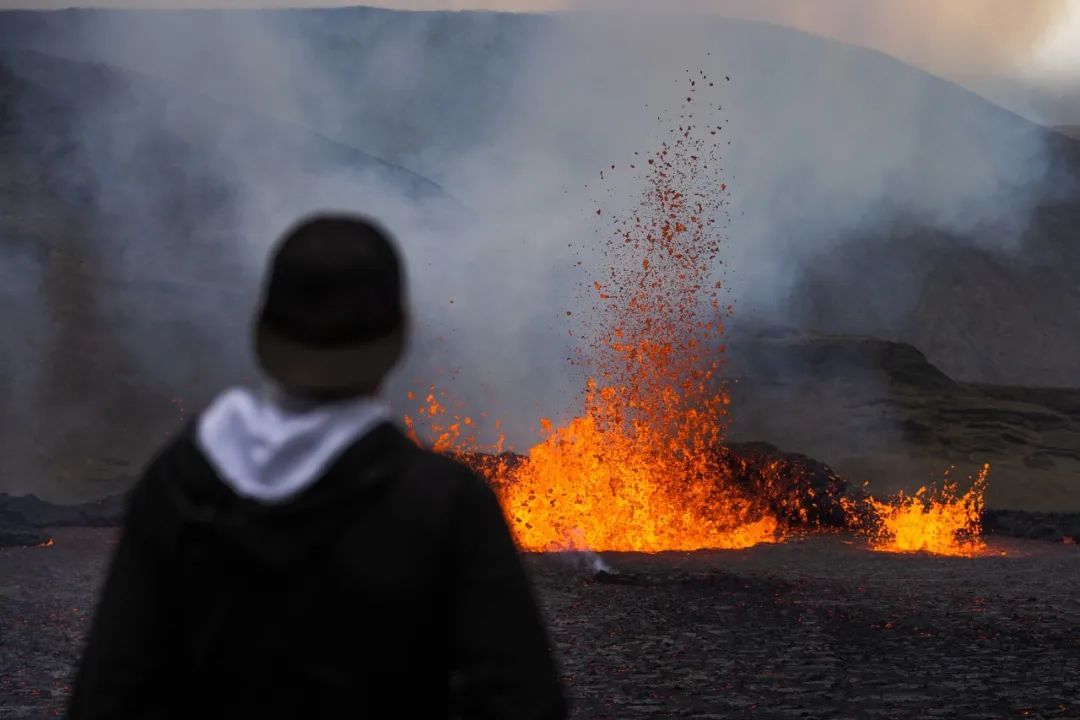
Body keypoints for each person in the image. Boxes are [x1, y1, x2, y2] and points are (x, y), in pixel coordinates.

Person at [68, 214, 568, 720]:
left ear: (264, 332)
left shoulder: (178, 482)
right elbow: (523, 699)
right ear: (398, 335)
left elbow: (108, 692)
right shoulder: (444, 503)